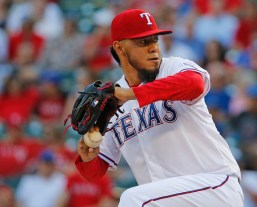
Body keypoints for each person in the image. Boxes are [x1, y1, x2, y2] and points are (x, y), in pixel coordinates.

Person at [75, 8, 243, 207]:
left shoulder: (173, 68)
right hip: (167, 200)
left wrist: (130, 94)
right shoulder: (110, 103)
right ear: (120, 48)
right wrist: (88, 159)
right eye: (142, 42)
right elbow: (95, 172)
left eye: (154, 39)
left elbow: (195, 84)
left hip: (214, 186)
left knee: (133, 199)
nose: (153, 47)